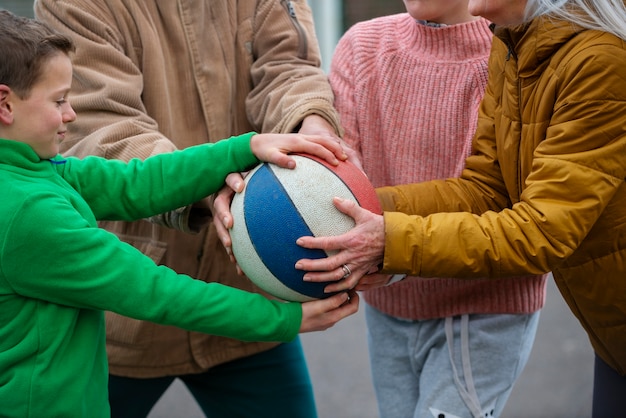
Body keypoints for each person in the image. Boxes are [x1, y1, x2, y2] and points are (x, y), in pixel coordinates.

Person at [0, 9, 359, 418]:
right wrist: (284, 318)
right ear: (6, 104)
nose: (71, 113)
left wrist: (244, 148)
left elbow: (137, 181)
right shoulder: (30, 210)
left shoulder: (36, 172)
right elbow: (153, 291)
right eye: (59, 100)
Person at [294, 0, 626, 417]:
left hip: (512, 308)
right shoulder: (518, 46)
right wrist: (359, 211)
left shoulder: (596, 60)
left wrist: (388, 239)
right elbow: (488, 189)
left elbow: (541, 231)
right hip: (613, 335)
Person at [323, 1, 547, 416]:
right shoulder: (360, 47)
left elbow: (504, 201)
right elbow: (340, 180)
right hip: (388, 309)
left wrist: (389, 250)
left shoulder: (513, 54)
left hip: (483, 309)